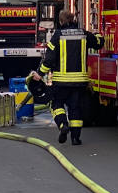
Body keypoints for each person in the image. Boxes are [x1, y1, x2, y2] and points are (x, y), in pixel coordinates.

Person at [31, 10, 102, 145]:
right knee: (75, 108)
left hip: (61, 81)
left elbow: (49, 59)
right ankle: (75, 138)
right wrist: (97, 33)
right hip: (80, 82)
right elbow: (98, 42)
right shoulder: (83, 33)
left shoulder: (58, 35)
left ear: (61, 21)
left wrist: (39, 74)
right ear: (73, 20)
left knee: (56, 104)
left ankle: (63, 125)